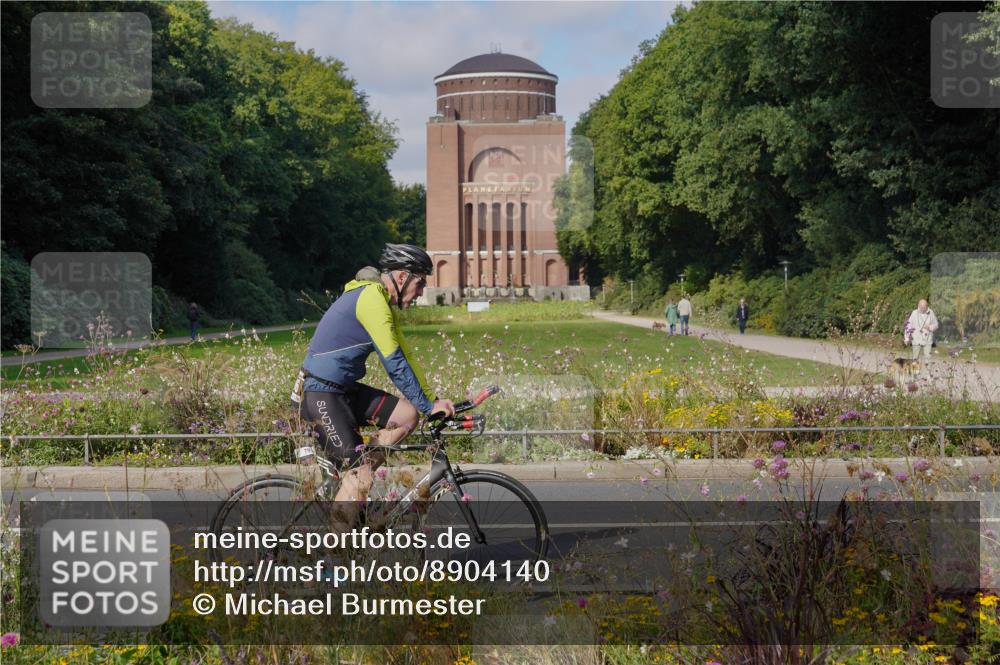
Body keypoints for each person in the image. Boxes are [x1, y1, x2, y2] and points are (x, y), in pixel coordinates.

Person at [295, 243, 455, 522]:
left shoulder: (382, 303)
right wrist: (429, 406)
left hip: (342, 390)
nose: (421, 291)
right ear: (403, 277)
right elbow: (393, 362)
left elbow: (406, 356)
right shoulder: (371, 299)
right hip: (321, 394)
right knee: (360, 480)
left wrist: (430, 401)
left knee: (407, 415)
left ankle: (357, 470)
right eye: (420, 283)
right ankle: (335, 560)